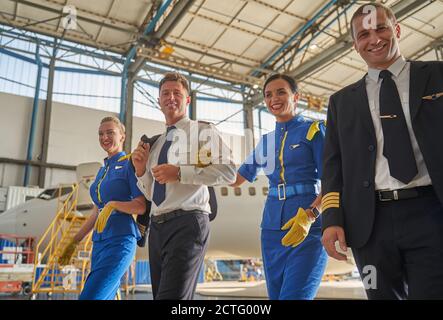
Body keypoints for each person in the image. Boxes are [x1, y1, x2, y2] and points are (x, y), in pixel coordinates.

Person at [321, 3, 443, 299]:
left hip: (432, 213)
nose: (373, 39)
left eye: (380, 29)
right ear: (355, 45)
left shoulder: (437, 75)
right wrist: (332, 220)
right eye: (363, 34)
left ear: (397, 29)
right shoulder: (341, 102)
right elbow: (333, 167)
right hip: (369, 224)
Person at [131, 72, 236, 300]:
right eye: (165, 93)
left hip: (188, 222)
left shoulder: (202, 131)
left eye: (177, 93)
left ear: (187, 100)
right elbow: (152, 193)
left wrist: (179, 172)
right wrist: (140, 171)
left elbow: (229, 171)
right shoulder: (156, 145)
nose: (171, 97)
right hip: (157, 227)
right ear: (159, 101)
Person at [231, 73, 327, 300]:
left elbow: (333, 180)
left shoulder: (314, 130)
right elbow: (235, 179)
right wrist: (202, 165)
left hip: (307, 225)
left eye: (281, 92)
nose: (274, 98)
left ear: (296, 96)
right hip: (271, 230)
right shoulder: (265, 142)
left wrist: (312, 214)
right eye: (268, 95)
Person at [59, 116, 146, 300]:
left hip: (120, 241)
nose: (104, 137)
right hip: (99, 244)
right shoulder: (101, 171)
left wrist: (114, 205)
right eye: (100, 134)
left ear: (122, 136)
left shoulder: (130, 164)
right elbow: (96, 213)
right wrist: (74, 241)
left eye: (110, 132)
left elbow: (141, 206)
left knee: (91, 296)